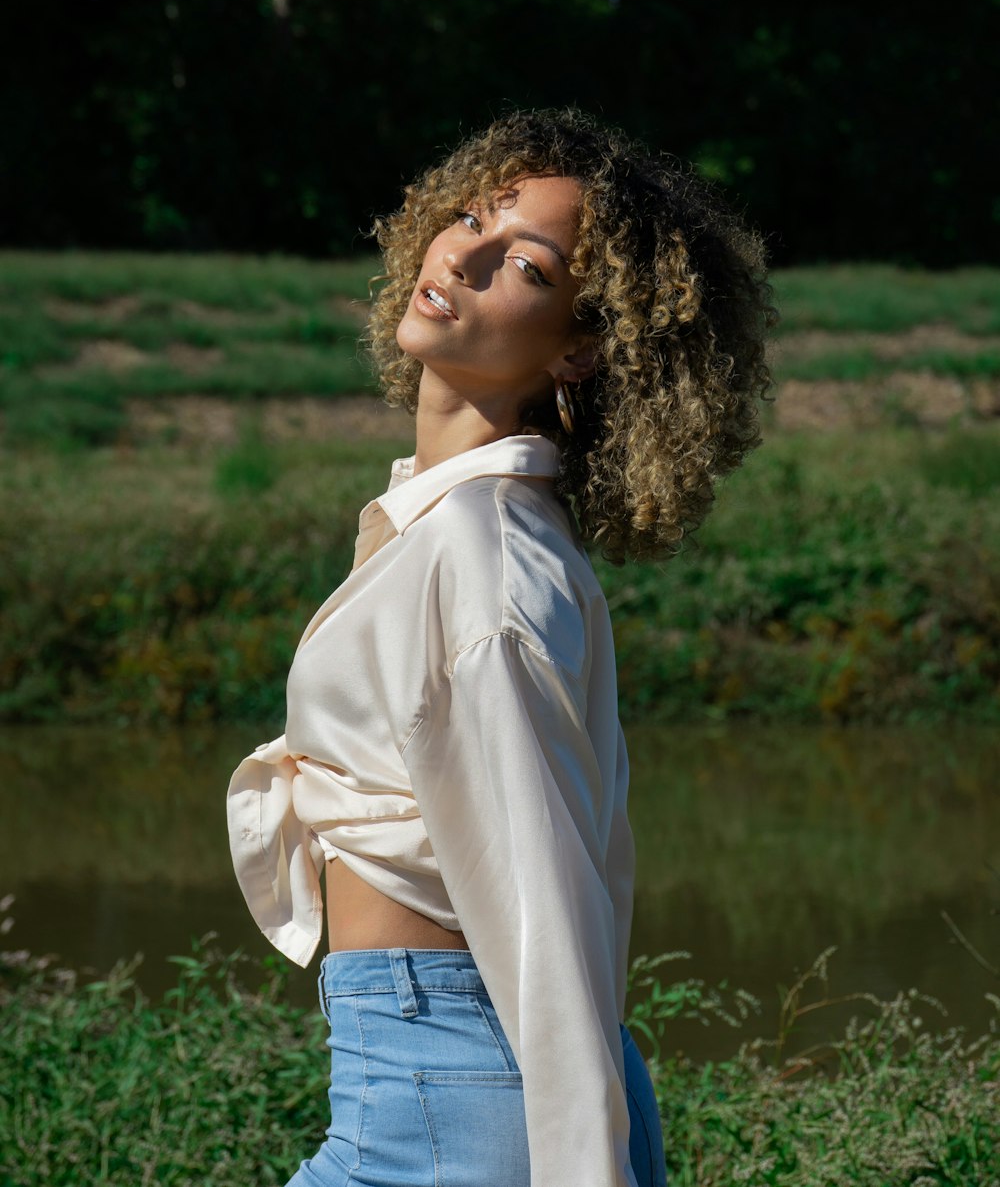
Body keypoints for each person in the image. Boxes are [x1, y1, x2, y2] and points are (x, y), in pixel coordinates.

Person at [227, 107, 773, 1187]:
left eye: (523, 261)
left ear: (577, 343)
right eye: (471, 216)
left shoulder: (481, 562)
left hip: (458, 1099)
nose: (462, 254)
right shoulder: (447, 528)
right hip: (435, 1079)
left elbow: (549, 903)